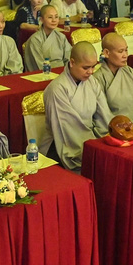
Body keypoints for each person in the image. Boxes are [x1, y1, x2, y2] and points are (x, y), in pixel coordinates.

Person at [41, 42, 112, 170]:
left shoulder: (92, 82)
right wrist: (93, 149)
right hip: (61, 145)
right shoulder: (57, 89)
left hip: (90, 140)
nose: (90, 72)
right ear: (72, 62)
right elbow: (68, 128)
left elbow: (104, 115)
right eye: (85, 68)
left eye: (93, 67)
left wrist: (106, 141)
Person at [92, 32, 133, 126]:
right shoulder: (97, 79)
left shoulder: (130, 72)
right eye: (120, 51)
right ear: (106, 53)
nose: (125, 55)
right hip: (115, 132)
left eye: (126, 50)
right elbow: (102, 117)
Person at [22, 4, 71, 71]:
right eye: (50, 17)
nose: (54, 20)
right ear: (41, 19)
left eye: (56, 17)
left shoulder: (61, 37)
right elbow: (38, 65)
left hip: (63, 73)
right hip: (45, 74)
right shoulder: (35, 39)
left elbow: (69, 59)